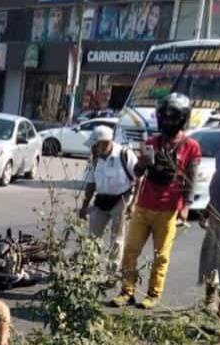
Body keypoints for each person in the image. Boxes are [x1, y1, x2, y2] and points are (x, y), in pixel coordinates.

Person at [111, 93, 201, 310]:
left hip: (168, 209)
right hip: (143, 205)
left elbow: (193, 177)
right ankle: (127, 291)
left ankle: (153, 294)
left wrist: (186, 205)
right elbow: (137, 172)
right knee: (131, 250)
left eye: (173, 116)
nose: (168, 120)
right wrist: (142, 162)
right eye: (165, 116)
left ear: (182, 118)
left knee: (161, 256)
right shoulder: (152, 142)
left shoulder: (191, 146)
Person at [78, 125, 138, 275]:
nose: (93, 148)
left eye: (95, 145)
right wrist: (84, 206)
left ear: (105, 142)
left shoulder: (125, 154)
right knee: (93, 235)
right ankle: (90, 269)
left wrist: (133, 203)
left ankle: (111, 273)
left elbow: (139, 178)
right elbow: (91, 183)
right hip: (101, 199)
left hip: (121, 199)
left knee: (117, 239)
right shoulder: (95, 159)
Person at [198, 94, 220, 316]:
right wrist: (207, 207)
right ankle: (208, 302)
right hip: (216, 213)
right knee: (210, 260)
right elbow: (219, 178)